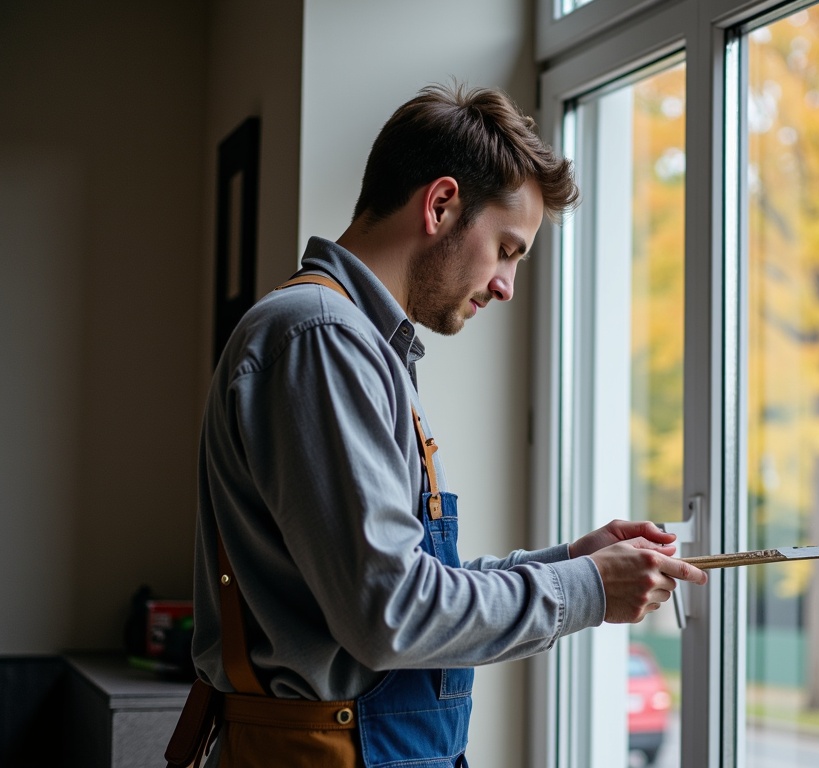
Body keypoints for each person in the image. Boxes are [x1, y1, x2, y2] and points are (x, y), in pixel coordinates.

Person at [170, 83, 707, 768]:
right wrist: (592, 589)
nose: (508, 285)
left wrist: (573, 561)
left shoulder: (359, 346)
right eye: (508, 249)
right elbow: (390, 613)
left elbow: (410, 581)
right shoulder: (322, 341)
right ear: (441, 204)